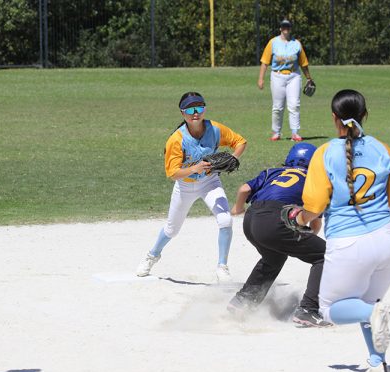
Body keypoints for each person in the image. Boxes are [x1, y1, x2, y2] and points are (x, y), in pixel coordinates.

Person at [287, 89, 390, 372]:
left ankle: (371, 318)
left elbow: (313, 209)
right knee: (369, 301)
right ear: (364, 115)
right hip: (389, 238)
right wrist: (386, 234)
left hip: (348, 243)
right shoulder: (382, 148)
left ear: (334, 118)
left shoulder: (325, 153)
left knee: (330, 310)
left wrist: (297, 219)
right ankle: (377, 364)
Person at [136, 92, 247, 281]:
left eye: (199, 108)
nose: (195, 113)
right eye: (190, 109)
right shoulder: (177, 139)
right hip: (185, 186)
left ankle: (222, 267)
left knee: (225, 220)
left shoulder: (215, 129)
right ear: (182, 113)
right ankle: (152, 256)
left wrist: (233, 157)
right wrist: (194, 168)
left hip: (210, 182)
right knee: (172, 230)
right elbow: (172, 173)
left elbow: (240, 142)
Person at [228, 143, 331, 327]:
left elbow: (244, 189)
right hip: (276, 220)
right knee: (325, 255)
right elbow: (315, 222)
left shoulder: (272, 172)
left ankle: (242, 302)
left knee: (274, 257)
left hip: (251, 220)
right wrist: (305, 238)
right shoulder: (313, 180)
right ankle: (308, 310)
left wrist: (237, 207)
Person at [258, 19, 314, 142]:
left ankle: (295, 132)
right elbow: (264, 62)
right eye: (283, 27)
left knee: (294, 105)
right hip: (277, 76)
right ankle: (276, 132)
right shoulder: (273, 42)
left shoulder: (296, 44)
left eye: (288, 27)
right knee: (277, 107)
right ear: (280, 28)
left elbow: (303, 63)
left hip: (294, 76)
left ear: (290, 28)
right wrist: (261, 78)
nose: (286, 29)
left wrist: (308, 78)